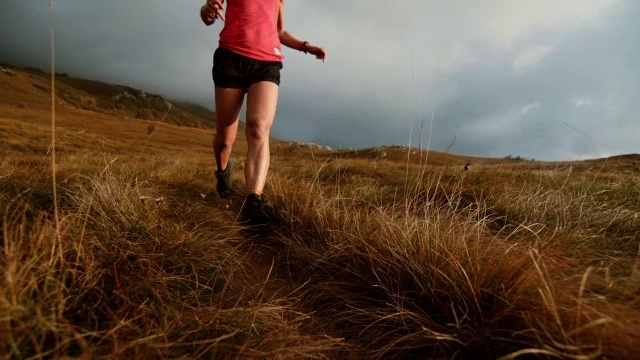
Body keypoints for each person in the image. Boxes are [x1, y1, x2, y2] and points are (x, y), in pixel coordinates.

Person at [200, 0, 326, 224]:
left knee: (258, 128)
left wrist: (306, 47)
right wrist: (207, 11)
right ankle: (222, 171)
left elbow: (279, 31)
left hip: (267, 62)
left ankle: (253, 201)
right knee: (224, 140)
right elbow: (208, 14)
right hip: (230, 58)